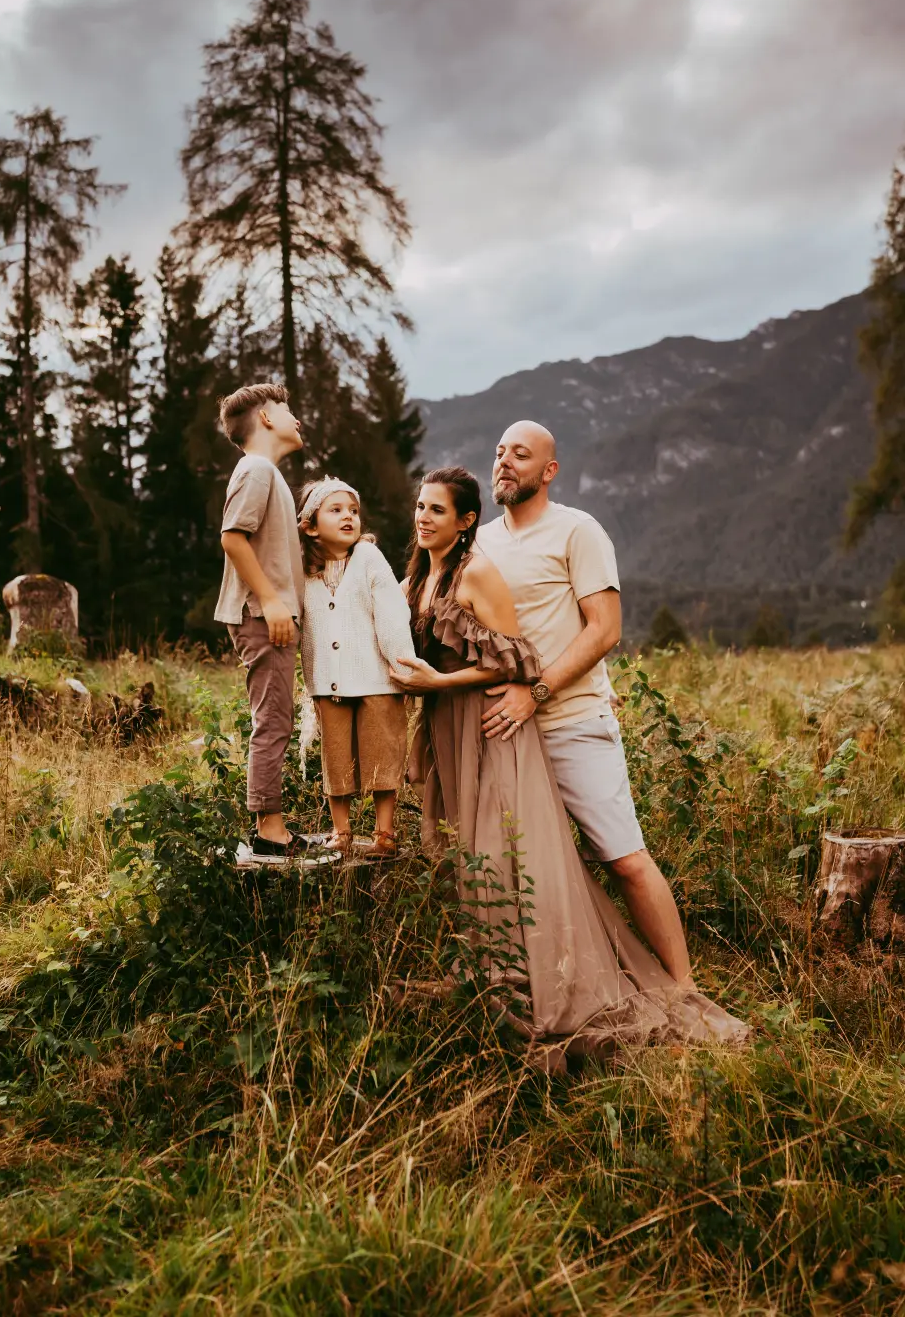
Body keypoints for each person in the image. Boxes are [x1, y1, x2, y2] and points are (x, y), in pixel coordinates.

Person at [394, 466, 746, 1053]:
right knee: (479, 860)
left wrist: (441, 684)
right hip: (449, 732)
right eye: (420, 507)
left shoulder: (492, 564)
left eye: (437, 509)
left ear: (465, 521)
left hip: (498, 727)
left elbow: (520, 659)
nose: (424, 517)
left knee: (575, 856)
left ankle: (663, 988)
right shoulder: (419, 580)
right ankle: (500, 973)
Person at [477, 421, 693, 984]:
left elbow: (604, 631)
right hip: (507, 733)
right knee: (534, 870)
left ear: (549, 471)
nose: (505, 462)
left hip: (572, 721)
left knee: (623, 859)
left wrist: (537, 692)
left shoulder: (578, 531)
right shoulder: (480, 541)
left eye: (521, 455)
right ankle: (562, 982)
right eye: (500, 452)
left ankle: (685, 987)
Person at [215, 382, 309, 858]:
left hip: (268, 612)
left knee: (277, 717)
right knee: (272, 719)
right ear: (267, 419)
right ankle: (270, 833)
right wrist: (272, 602)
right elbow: (233, 539)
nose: (297, 419)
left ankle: (272, 824)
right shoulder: (255, 469)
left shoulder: (266, 474)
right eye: (288, 410)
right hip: (261, 616)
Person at [298, 477, 414, 860]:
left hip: (378, 677)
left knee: (383, 750)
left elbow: (392, 614)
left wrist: (403, 666)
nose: (348, 517)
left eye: (353, 511)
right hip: (327, 679)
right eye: (336, 511)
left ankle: (384, 832)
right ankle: (341, 830)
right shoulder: (303, 570)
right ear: (311, 526)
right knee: (336, 756)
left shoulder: (368, 559)